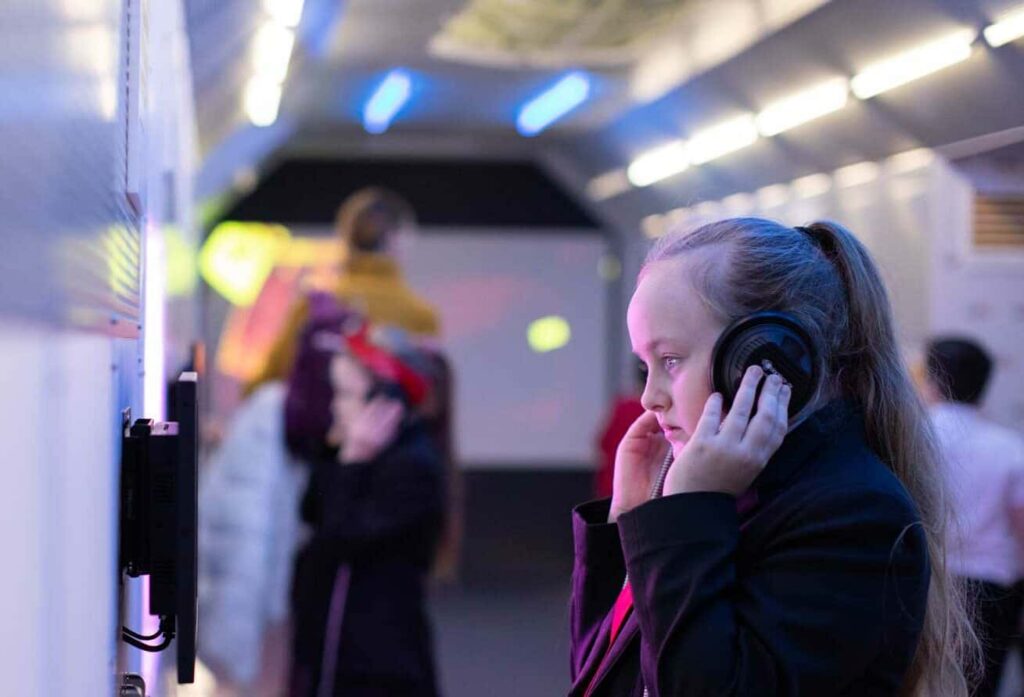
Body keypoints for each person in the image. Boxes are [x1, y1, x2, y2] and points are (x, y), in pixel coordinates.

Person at [569, 218, 977, 696]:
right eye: (645, 366)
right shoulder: (740, 493)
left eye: (672, 360)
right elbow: (598, 677)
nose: (649, 398)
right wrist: (629, 521)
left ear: (762, 358)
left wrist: (684, 518)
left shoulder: (853, 515)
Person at [287, 319, 445, 697]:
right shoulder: (361, 454)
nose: (334, 407)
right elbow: (311, 510)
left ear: (385, 406)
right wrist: (341, 455)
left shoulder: (411, 468)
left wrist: (354, 460)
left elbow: (339, 539)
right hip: (340, 649)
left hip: (377, 662)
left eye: (345, 394)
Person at [246, 187, 441, 396]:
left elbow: (266, 380)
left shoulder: (315, 306)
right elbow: (431, 399)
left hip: (315, 428)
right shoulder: (422, 317)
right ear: (396, 239)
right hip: (391, 427)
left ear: (346, 239)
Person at [922, 337, 1024, 697]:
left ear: (931, 378)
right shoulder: (1010, 447)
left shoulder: (911, 438)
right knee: (982, 686)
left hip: (925, 580)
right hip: (992, 588)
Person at [593, 362, 646, 499]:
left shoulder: (623, 407)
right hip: (645, 491)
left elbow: (603, 443)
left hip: (613, 486)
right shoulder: (659, 412)